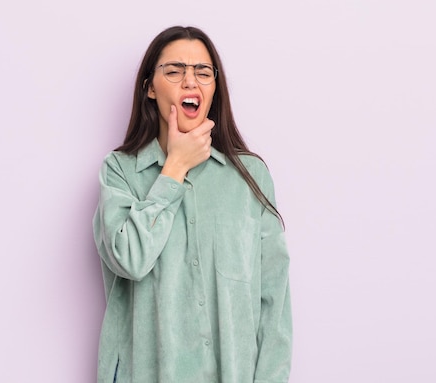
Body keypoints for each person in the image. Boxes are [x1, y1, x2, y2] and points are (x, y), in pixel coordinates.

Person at [92, 25, 292, 383]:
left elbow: (274, 304)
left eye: (203, 72)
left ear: (214, 89)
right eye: (174, 71)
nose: (190, 82)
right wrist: (175, 169)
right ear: (150, 88)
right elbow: (130, 260)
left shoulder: (250, 177)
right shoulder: (119, 172)